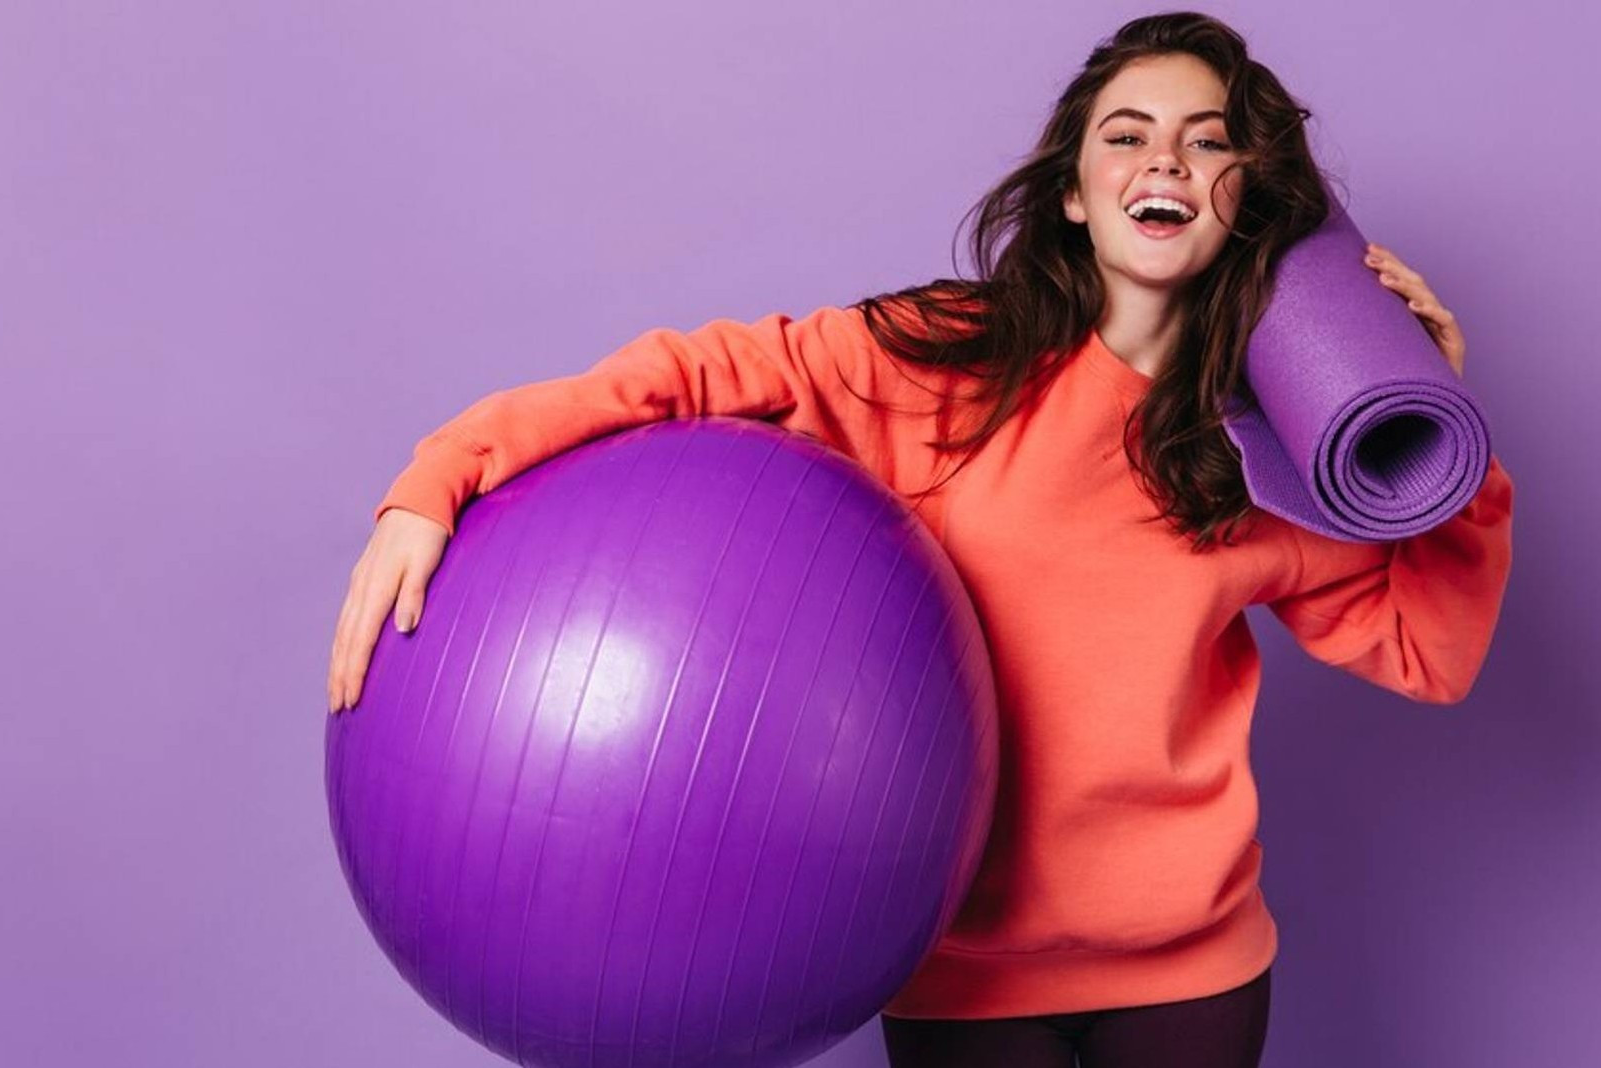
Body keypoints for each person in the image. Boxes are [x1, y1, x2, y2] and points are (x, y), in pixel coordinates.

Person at [325, 11, 1511, 1068]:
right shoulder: (945, 361)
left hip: (1190, 971)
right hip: (960, 970)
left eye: (1207, 143)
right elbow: (695, 371)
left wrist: (1445, 439)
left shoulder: (1265, 449)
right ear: (1073, 192)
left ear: (1243, 200)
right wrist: (441, 477)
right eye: (1127, 135)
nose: (1165, 160)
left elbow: (1430, 651)